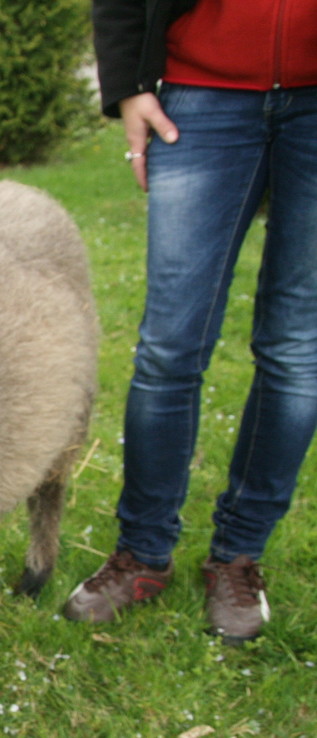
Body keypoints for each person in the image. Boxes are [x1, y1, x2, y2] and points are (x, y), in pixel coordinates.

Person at [68, 0, 317, 642]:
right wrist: (126, 86)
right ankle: (142, 554)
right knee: (168, 350)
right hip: (202, 97)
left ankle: (239, 556)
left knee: (296, 351)